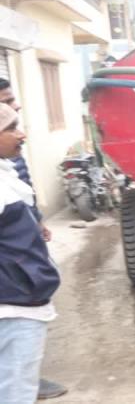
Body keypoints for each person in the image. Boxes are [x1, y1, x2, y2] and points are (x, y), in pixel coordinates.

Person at [0, 78, 66, 400]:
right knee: (16, 388)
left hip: (19, 297)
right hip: (13, 304)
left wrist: (33, 220)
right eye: (10, 128)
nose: (21, 134)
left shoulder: (7, 171)